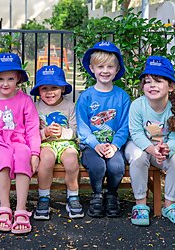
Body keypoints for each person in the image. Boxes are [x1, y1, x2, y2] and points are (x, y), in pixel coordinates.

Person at [0, 52, 41, 234]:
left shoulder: (25, 101)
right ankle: (4, 208)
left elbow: (32, 129)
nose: (5, 84)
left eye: (10, 78)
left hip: (19, 142)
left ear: (18, 79)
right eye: (1, 79)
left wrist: (35, 153)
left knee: (23, 155)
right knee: (3, 159)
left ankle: (21, 209)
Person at [124, 55, 175, 226]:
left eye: (158, 81)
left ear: (171, 87)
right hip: (139, 145)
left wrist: (167, 148)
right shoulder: (138, 105)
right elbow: (136, 133)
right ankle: (140, 205)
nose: (152, 85)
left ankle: (170, 204)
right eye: (147, 81)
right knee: (138, 157)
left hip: (162, 149)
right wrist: (151, 149)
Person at [76, 41, 131, 218]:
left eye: (110, 66)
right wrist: (95, 144)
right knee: (97, 165)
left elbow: (125, 126)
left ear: (117, 69)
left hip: (114, 146)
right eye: (100, 66)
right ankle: (97, 195)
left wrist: (115, 145)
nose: (105, 70)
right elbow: (82, 127)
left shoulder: (122, 97)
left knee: (116, 166)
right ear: (92, 68)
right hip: (91, 146)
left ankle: (112, 194)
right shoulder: (86, 97)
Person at [30, 65, 84, 220]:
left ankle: (73, 195)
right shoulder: (35, 107)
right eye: (44, 88)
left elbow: (75, 130)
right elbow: (32, 132)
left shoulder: (70, 106)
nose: (49, 92)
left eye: (54, 87)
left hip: (67, 143)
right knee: (46, 160)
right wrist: (44, 133)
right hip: (46, 143)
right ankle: (44, 197)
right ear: (39, 91)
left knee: (71, 160)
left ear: (62, 88)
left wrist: (63, 132)